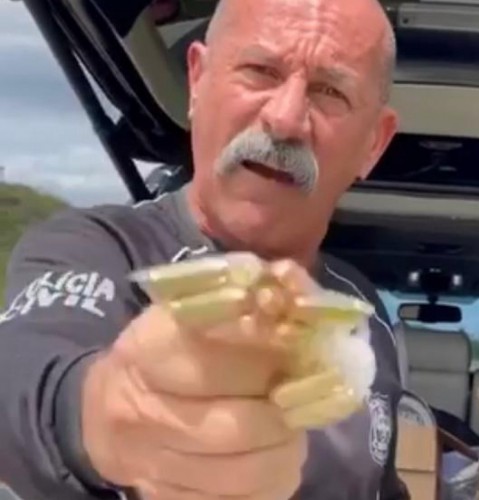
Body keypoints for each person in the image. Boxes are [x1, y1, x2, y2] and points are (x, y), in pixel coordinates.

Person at [0, 0, 405, 498]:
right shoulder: (94, 248)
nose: (284, 119)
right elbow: (21, 372)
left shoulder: (362, 311)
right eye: (260, 71)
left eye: (329, 91)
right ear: (197, 80)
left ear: (373, 144)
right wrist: (117, 409)